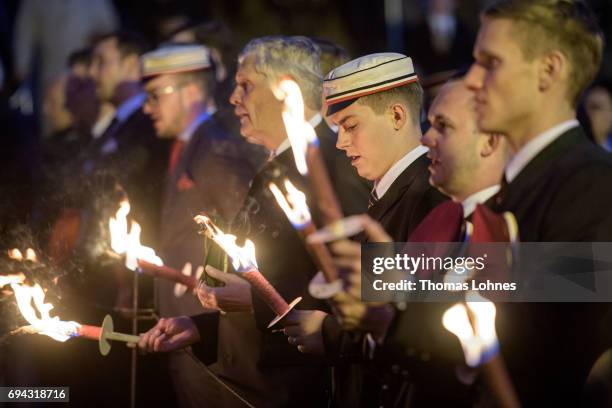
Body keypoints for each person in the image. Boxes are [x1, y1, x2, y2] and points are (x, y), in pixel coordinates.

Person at [140, 36, 357, 407]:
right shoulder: (275, 166)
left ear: (284, 89)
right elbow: (264, 275)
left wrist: (255, 299)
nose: (233, 98)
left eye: (246, 86)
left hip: (296, 387)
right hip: (253, 380)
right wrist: (200, 326)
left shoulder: (336, 163)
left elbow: (349, 284)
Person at [464, 0, 612, 404]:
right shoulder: (517, 186)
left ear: (549, 70)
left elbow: (545, 311)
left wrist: (392, 274)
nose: (472, 80)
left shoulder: (595, 184)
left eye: (490, 63)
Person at [139, 44, 266, 408]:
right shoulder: (188, 147)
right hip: (187, 325)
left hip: (209, 331)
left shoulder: (215, 149)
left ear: (192, 90)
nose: (147, 107)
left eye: (155, 96)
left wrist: (212, 316)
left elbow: (245, 229)